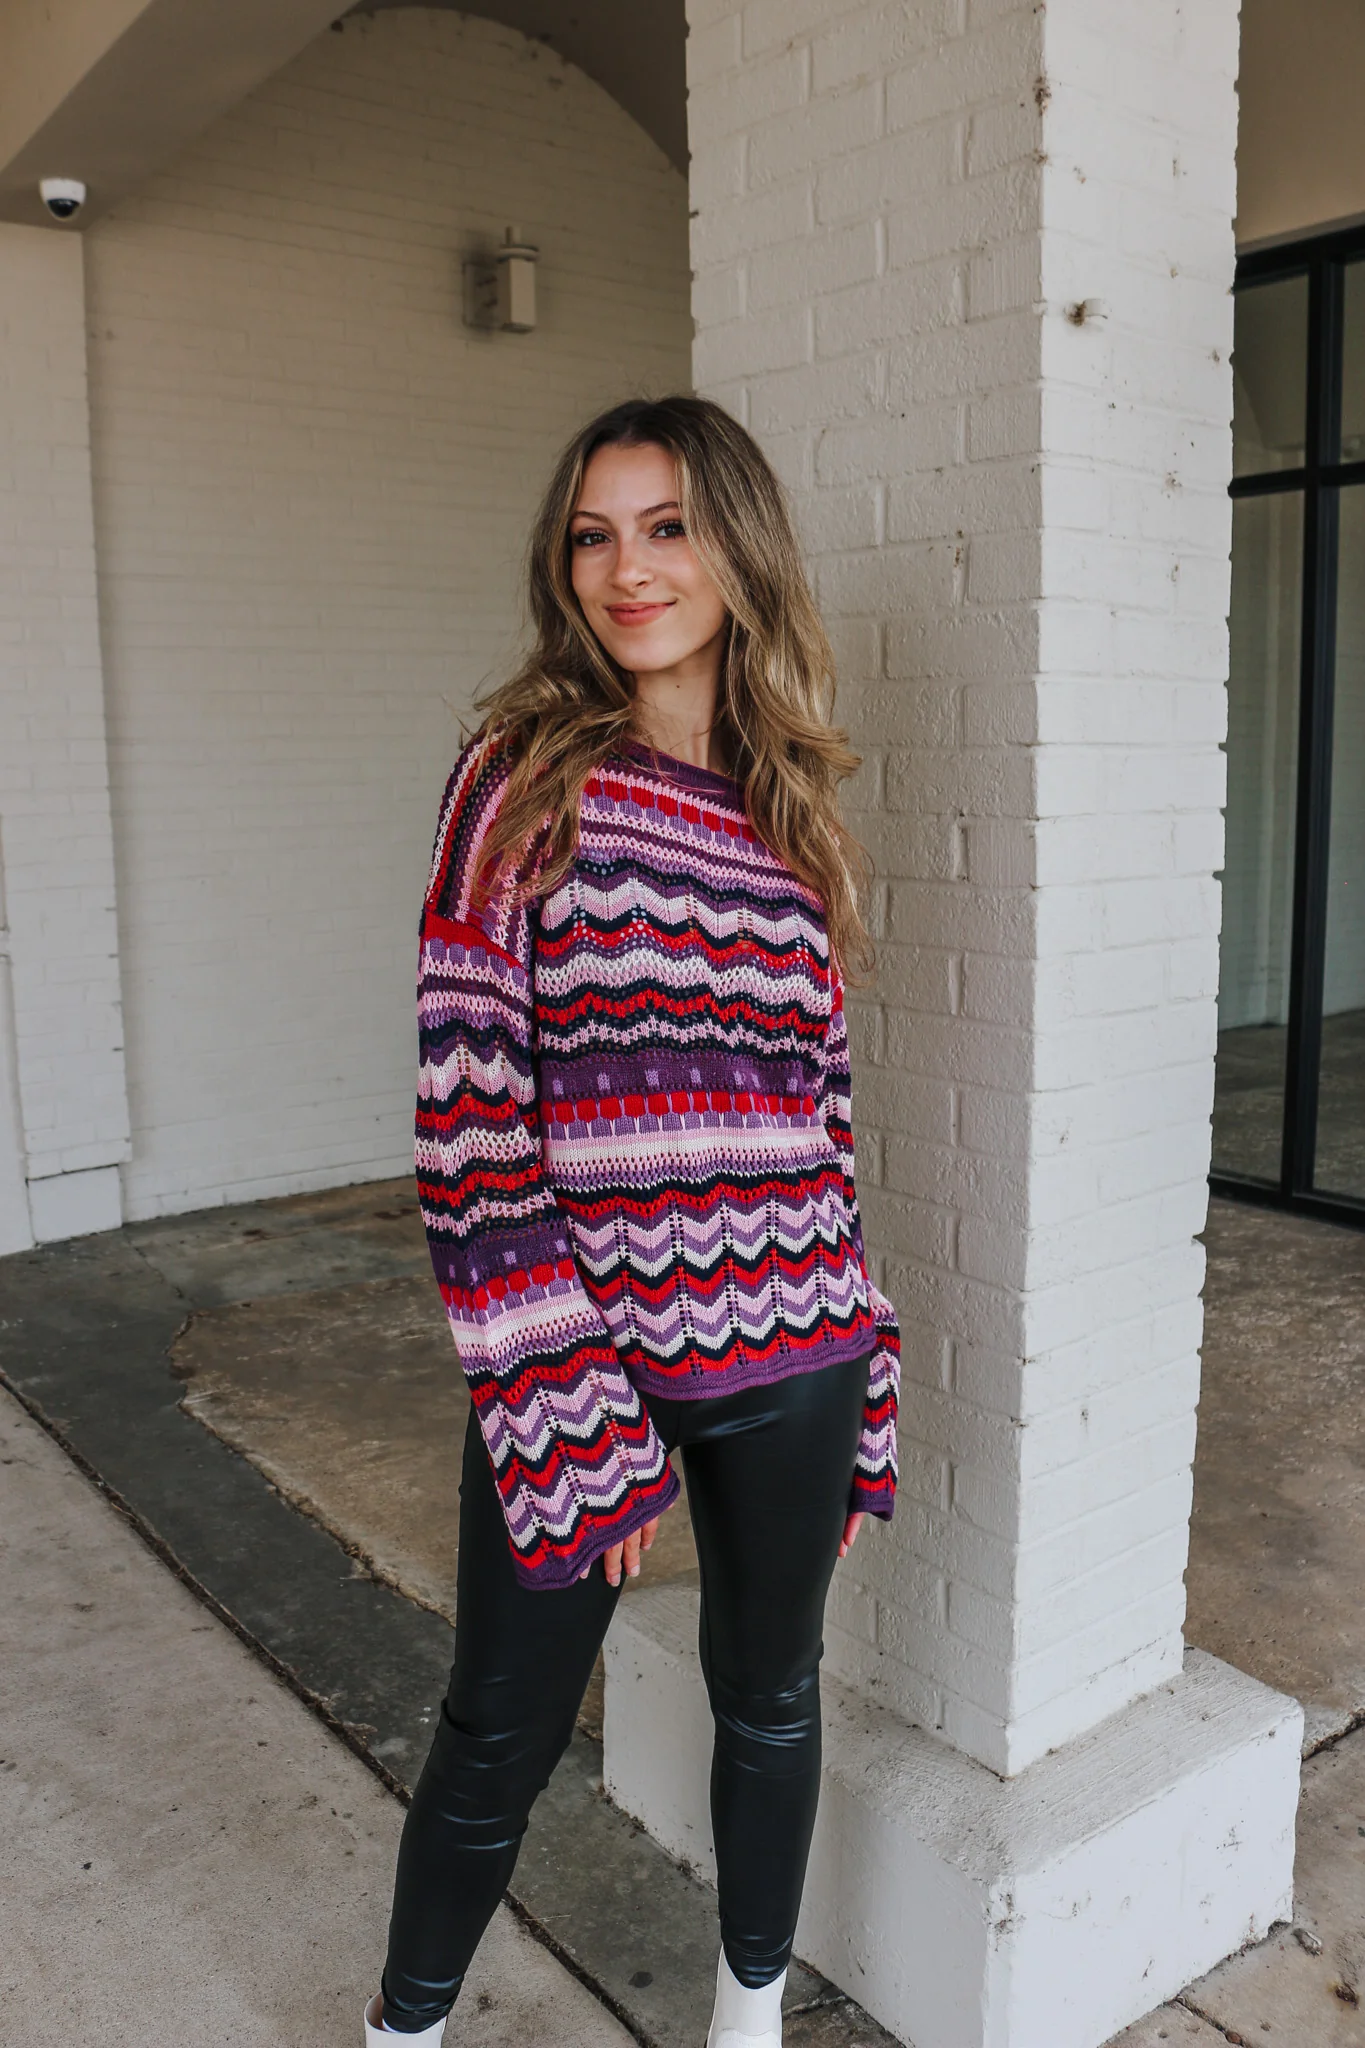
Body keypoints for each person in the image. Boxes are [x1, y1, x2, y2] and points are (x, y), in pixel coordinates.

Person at [364, 396, 901, 2046]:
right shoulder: (520, 781)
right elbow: (470, 1120)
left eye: (668, 527)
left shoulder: (794, 814)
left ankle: (750, 2022)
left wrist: (869, 1374)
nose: (628, 569)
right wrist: (564, 1404)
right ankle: (402, 2035)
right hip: (586, 1359)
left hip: (798, 1354)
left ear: (740, 550)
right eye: (594, 535)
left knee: (774, 1701)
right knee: (498, 1732)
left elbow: (818, 1117)